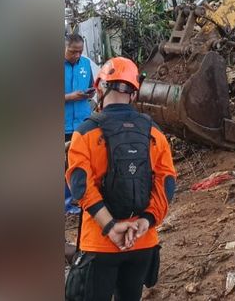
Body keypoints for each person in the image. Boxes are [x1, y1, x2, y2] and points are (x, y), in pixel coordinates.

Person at [65, 57, 177, 301]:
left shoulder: (84, 133)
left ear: (101, 87)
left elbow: (81, 187)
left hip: (100, 244)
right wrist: (145, 222)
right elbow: (166, 184)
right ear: (134, 94)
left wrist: (111, 227)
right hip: (142, 242)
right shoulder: (155, 133)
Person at [64, 34, 97, 215]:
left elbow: (92, 85)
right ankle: (67, 204)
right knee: (64, 165)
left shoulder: (85, 64)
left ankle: (83, 200)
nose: (77, 55)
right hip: (63, 124)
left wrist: (89, 93)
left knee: (83, 162)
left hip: (83, 122)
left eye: (80, 52)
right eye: (72, 52)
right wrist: (70, 97)